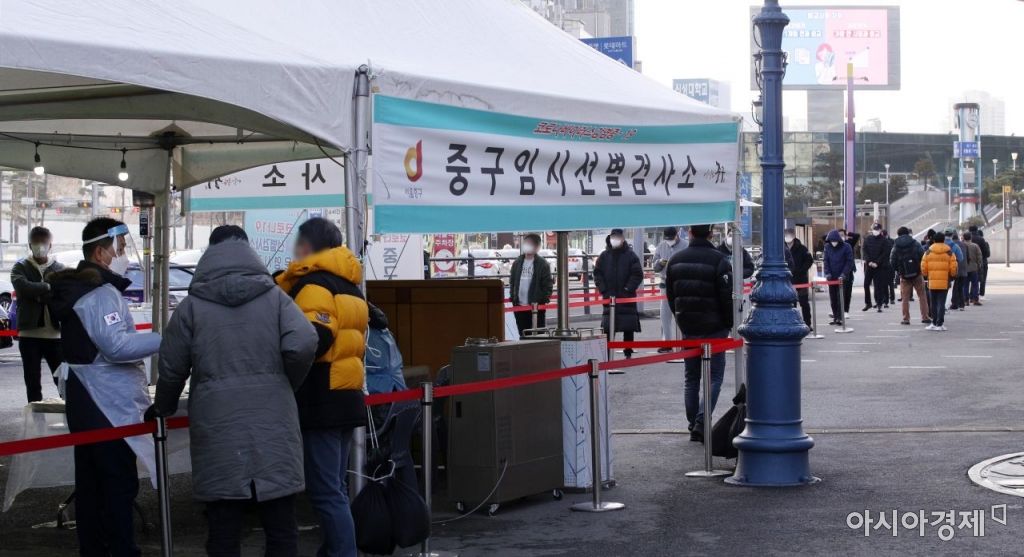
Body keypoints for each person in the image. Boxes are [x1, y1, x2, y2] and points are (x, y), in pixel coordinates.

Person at [148, 226, 318, 556]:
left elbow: (171, 366)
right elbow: (304, 342)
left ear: (210, 252)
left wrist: (163, 406)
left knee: (223, 526)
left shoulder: (191, 307)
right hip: (272, 419)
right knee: (280, 524)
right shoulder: (276, 299)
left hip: (218, 424)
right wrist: (285, 382)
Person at [47, 218, 161, 556]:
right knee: (115, 484)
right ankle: (121, 550)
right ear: (100, 253)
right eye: (120, 248)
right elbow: (116, 346)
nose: (125, 254)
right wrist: (164, 340)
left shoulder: (80, 291)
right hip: (106, 404)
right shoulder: (99, 294)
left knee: (91, 485)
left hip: (86, 400)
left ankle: (94, 549)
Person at [275, 217, 368, 557]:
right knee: (335, 488)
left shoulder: (314, 284)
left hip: (322, 398)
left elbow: (314, 338)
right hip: (347, 394)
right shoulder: (350, 286)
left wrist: (285, 364)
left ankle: (343, 552)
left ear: (307, 246)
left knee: (326, 492)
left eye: (299, 242)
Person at [665, 224, 733, 443]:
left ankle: (693, 423)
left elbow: (671, 296)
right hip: (715, 327)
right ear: (711, 234)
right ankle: (702, 421)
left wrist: (680, 318)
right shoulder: (720, 260)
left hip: (688, 326)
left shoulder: (676, 260)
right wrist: (728, 323)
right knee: (715, 377)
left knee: (691, 378)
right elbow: (726, 297)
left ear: (690, 233)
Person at [10, 226, 65, 402]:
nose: (40, 247)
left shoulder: (59, 268)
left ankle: (71, 412)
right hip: (29, 335)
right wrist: (48, 287)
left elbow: (63, 292)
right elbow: (22, 287)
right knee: (32, 383)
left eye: (44, 243)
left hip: (55, 335)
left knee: (63, 381)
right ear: (30, 245)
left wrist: (37, 294)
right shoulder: (20, 267)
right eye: (36, 243)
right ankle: (35, 415)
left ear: (50, 245)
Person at [594, 228, 643, 359]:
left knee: (628, 326)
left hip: (626, 297)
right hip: (609, 297)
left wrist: (628, 289)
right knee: (608, 326)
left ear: (623, 239)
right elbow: (597, 274)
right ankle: (607, 353)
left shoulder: (631, 255)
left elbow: (637, 274)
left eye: (618, 237)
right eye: (613, 237)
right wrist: (603, 289)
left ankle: (628, 351)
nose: (615, 240)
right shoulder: (604, 256)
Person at [509, 233, 553, 335]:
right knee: (523, 334)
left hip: (536, 308)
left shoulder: (543, 264)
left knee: (539, 335)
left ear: (537, 247)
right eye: (526, 243)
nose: (527, 246)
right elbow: (512, 282)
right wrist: (513, 297)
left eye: (530, 244)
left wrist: (540, 300)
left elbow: (547, 286)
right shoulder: (517, 262)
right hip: (519, 306)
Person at [652, 227, 688, 352]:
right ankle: (666, 343)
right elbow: (654, 266)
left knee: (683, 314)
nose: (669, 241)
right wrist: (659, 263)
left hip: (681, 283)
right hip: (665, 283)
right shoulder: (661, 246)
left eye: (671, 238)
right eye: (667, 238)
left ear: (676, 235)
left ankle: (686, 342)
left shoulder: (686, 245)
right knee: (664, 315)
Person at [890, 226, 930, 326]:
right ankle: (925, 317)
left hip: (904, 276)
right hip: (917, 274)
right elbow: (923, 256)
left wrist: (899, 271)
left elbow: (892, 260)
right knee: (922, 296)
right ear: (908, 233)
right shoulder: (915, 243)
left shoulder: (896, 246)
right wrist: (919, 269)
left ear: (898, 234)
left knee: (905, 298)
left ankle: (906, 319)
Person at [921, 232, 957, 331]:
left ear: (933, 240)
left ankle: (933, 322)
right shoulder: (949, 252)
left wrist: (926, 275)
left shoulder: (928, 252)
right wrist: (952, 275)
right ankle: (939, 324)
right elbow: (953, 267)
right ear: (943, 240)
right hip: (944, 281)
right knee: (941, 303)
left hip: (932, 281)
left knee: (933, 303)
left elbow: (923, 266)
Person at [823, 229, 854, 326]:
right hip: (831, 277)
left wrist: (844, 274)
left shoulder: (846, 246)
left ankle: (840, 317)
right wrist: (827, 273)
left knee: (840, 297)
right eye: (831, 241)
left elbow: (849, 261)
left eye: (835, 240)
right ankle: (835, 317)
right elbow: (826, 261)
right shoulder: (827, 247)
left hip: (842, 277)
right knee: (833, 299)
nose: (833, 242)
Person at [785, 228, 814, 328]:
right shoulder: (781, 248)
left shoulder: (802, 248)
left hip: (801, 280)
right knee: (791, 304)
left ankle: (807, 323)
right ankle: (792, 323)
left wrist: (801, 270)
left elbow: (809, 260)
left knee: (804, 302)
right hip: (788, 280)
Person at [861, 223, 888, 312]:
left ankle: (879, 304)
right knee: (866, 284)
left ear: (880, 230)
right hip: (869, 265)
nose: (875, 231)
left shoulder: (884, 240)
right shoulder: (868, 239)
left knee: (878, 286)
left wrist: (877, 262)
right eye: (874, 229)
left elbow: (884, 253)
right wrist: (869, 261)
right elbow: (864, 250)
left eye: (877, 229)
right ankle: (868, 303)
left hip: (879, 266)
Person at [837, 228, 860, 313]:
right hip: (838, 271)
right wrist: (834, 234)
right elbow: (824, 237)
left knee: (847, 292)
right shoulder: (834, 244)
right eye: (839, 235)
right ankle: (838, 311)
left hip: (849, 271)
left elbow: (857, 236)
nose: (841, 237)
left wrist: (848, 233)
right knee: (838, 293)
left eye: (842, 235)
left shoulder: (849, 243)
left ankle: (846, 310)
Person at [944, 229, 967, 311]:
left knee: (943, 289)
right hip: (953, 269)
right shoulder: (955, 246)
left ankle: (944, 306)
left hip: (942, 270)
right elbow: (961, 258)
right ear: (952, 236)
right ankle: (960, 305)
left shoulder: (939, 245)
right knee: (956, 288)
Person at [962, 232, 984, 306]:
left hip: (965, 268)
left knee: (965, 285)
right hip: (974, 268)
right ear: (970, 237)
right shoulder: (975, 246)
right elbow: (979, 256)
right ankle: (975, 299)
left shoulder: (962, 245)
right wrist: (978, 265)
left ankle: (966, 300)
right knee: (975, 285)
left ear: (964, 238)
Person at [969, 226, 991, 299]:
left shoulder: (967, 239)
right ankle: (980, 294)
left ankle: (969, 296)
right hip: (982, 262)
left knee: (970, 280)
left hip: (969, 262)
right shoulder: (981, 239)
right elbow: (987, 253)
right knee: (982, 279)